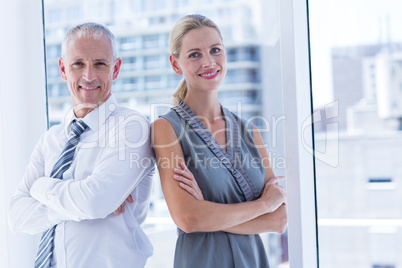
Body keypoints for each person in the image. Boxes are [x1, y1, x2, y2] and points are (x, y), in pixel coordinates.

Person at [8, 22, 155, 268]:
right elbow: (16, 217)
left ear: (115, 69)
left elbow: (95, 201)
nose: (89, 76)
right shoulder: (51, 139)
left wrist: (41, 187)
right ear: (63, 69)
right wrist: (81, 204)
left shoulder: (132, 128)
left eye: (100, 64)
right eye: (78, 64)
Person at [152, 14, 288, 268]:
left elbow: (278, 220)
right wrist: (263, 205)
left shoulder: (251, 132)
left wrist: (207, 211)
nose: (208, 62)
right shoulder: (166, 129)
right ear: (175, 64)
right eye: (194, 54)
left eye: (215, 50)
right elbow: (188, 219)